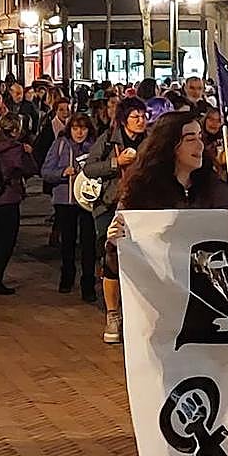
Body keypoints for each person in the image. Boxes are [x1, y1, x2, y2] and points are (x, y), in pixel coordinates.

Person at [103, 112, 228, 456]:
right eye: (188, 138)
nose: (199, 145)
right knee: (173, 415)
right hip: (166, 326)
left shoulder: (215, 190)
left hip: (211, 325)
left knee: (215, 408)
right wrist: (116, 240)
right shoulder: (143, 195)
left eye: (201, 137)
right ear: (169, 147)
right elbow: (115, 264)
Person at [83, 96, 149, 343]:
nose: (141, 121)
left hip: (140, 205)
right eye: (135, 117)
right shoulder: (109, 140)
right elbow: (89, 168)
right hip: (109, 205)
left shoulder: (151, 142)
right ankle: (113, 314)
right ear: (124, 120)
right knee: (111, 256)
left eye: (143, 116)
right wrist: (116, 163)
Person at [0, 114, 38, 295]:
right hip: (7, 199)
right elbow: (31, 169)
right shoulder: (16, 149)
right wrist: (28, 153)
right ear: (14, 130)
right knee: (6, 241)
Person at [41, 113, 98, 301]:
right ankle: (67, 276)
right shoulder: (60, 145)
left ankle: (88, 283)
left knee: (89, 244)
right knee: (68, 242)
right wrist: (62, 173)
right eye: (75, 128)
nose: (79, 132)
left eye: (83, 128)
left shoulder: (95, 146)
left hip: (88, 201)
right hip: (65, 201)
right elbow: (46, 172)